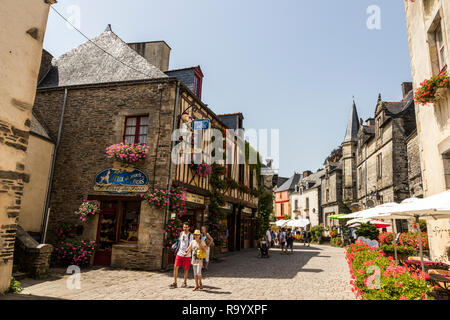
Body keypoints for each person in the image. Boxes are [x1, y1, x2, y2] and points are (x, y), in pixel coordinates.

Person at [170, 222, 193, 288]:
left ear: (189, 228)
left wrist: (187, 253)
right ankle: (175, 282)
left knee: (186, 269)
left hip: (187, 255)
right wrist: (174, 244)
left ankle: (185, 282)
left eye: (186, 227)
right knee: (175, 267)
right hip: (179, 253)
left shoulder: (190, 235)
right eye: (184, 227)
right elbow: (179, 241)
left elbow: (191, 245)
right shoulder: (181, 233)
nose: (185, 228)